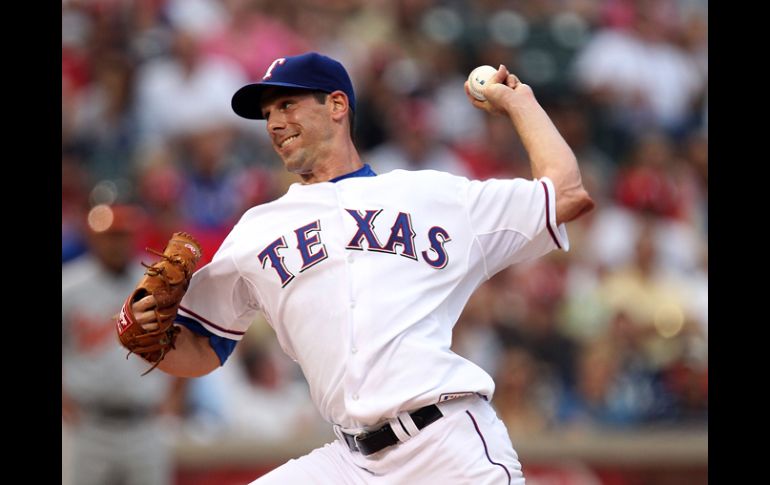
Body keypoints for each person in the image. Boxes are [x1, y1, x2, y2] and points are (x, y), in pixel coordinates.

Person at [125, 52, 594, 484]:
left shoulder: (433, 195)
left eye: (287, 105)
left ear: (336, 105)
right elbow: (201, 349)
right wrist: (146, 333)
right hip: (349, 462)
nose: (274, 123)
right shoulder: (255, 229)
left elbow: (567, 195)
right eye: (267, 114)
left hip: (447, 447)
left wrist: (521, 103)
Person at [63, 204, 178, 485]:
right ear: (93, 238)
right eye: (109, 235)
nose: (116, 243)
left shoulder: (156, 284)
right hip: (88, 424)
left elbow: (182, 339)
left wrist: (174, 399)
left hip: (145, 423)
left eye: (122, 235)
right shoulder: (70, 286)